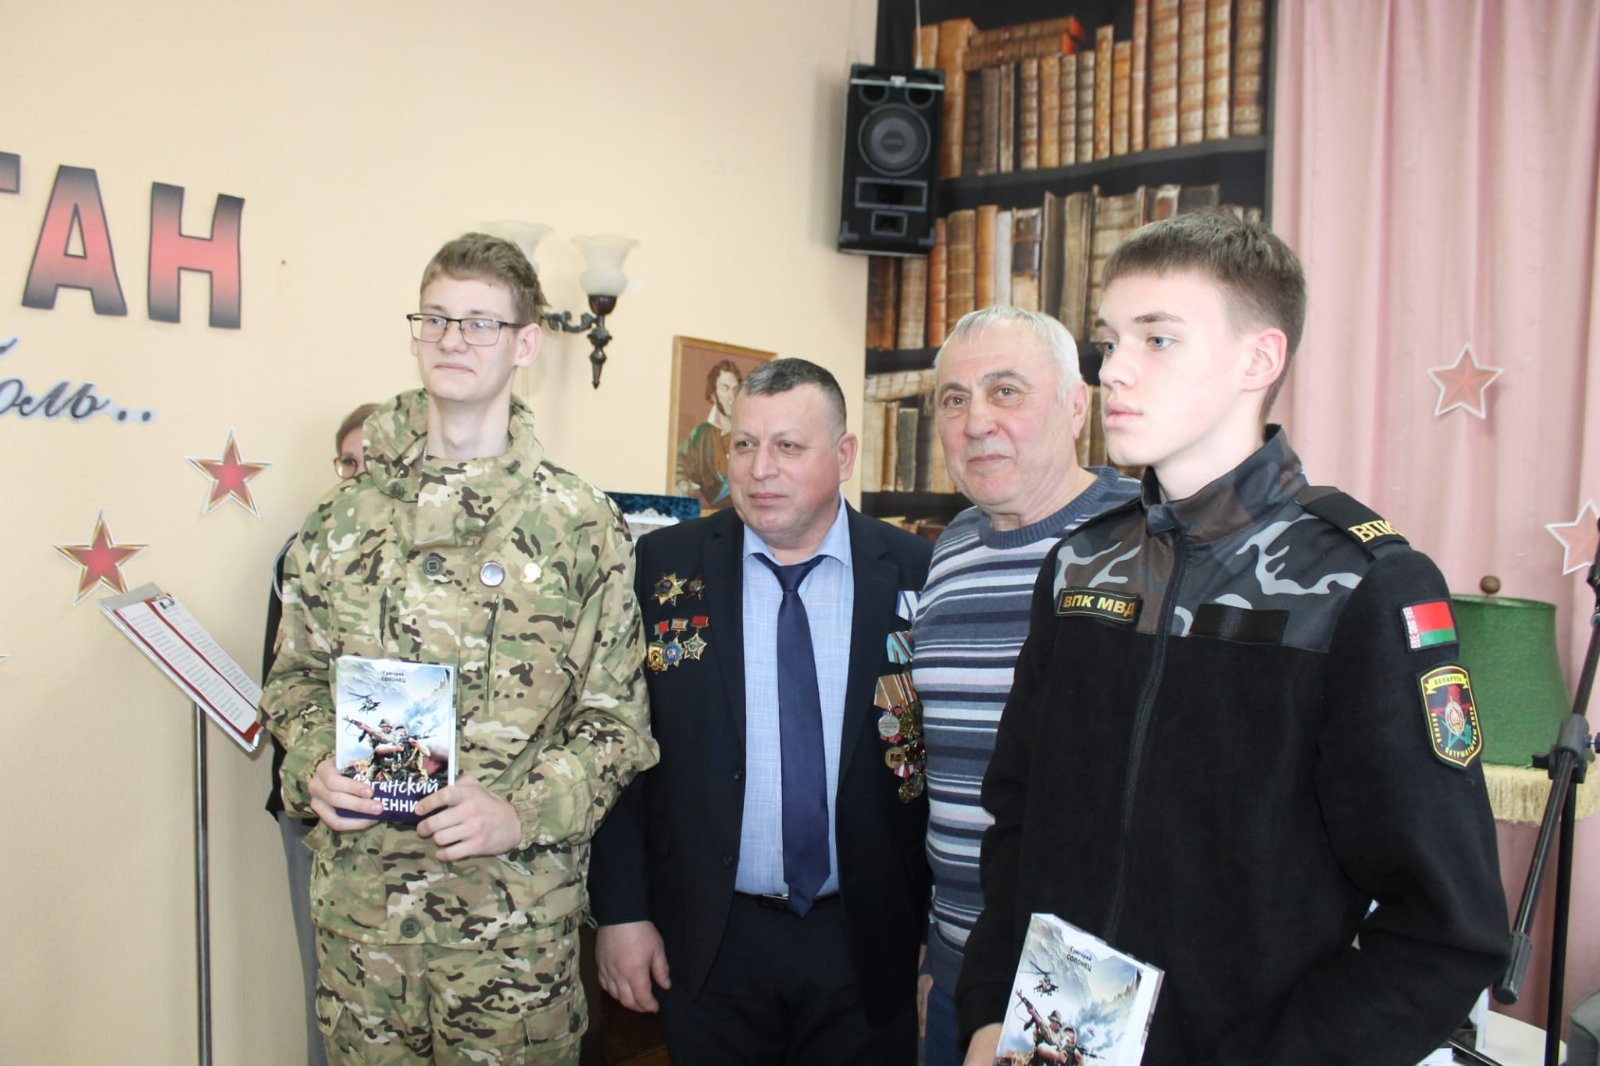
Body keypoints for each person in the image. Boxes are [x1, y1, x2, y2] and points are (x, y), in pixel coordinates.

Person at [957, 211, 1509, 1065]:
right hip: (1053, 1039)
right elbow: (1018, 822)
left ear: (1259, 360)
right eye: (1110, 340)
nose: (1113, 369)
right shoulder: (1081, 566)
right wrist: (991, 1011)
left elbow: (1446, 930)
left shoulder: (1362, 586)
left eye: (1158, 339)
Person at [262, 232, 656, 1066]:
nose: (452, 339)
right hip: (364, 930)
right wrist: (316, 765)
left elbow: (617, 727)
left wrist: (521, 812)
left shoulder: (580, 525)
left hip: (511, 934)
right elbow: (293, 685)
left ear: (525, 344)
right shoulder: (340, 520)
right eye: (435, 317)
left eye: (480, 322)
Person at [588, 358, 934, 1065]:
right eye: (744, 444)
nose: (760, 469)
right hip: (710, 938)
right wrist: (621, 910)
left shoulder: (916, 571)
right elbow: (616, 745)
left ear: (844, 456)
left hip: (867, 938)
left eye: (788, 446)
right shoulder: (659, 567)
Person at [910, 306, 1139, 1066]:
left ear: (1077, 407)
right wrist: (935, 952)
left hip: (1083, 979)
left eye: (1006, 391)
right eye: (954, 399)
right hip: (957, 963)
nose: (976, 422)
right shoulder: (950, 548)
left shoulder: (1145, 544)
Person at [261, 400, 377, 1066]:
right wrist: (310, 774)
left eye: (373, 461)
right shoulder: (308, 550)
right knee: (327, 995)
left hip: (400, 807)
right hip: (318, 802)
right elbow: (284, 681)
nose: (359, 474)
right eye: (349, 462)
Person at [675, 357, 742, 508]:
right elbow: (679, 465)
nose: (732, 396)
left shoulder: (748, 435)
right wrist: (684, 485)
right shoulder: (700, 435)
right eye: (725, 388)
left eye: (735, 389)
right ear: (713, 395)